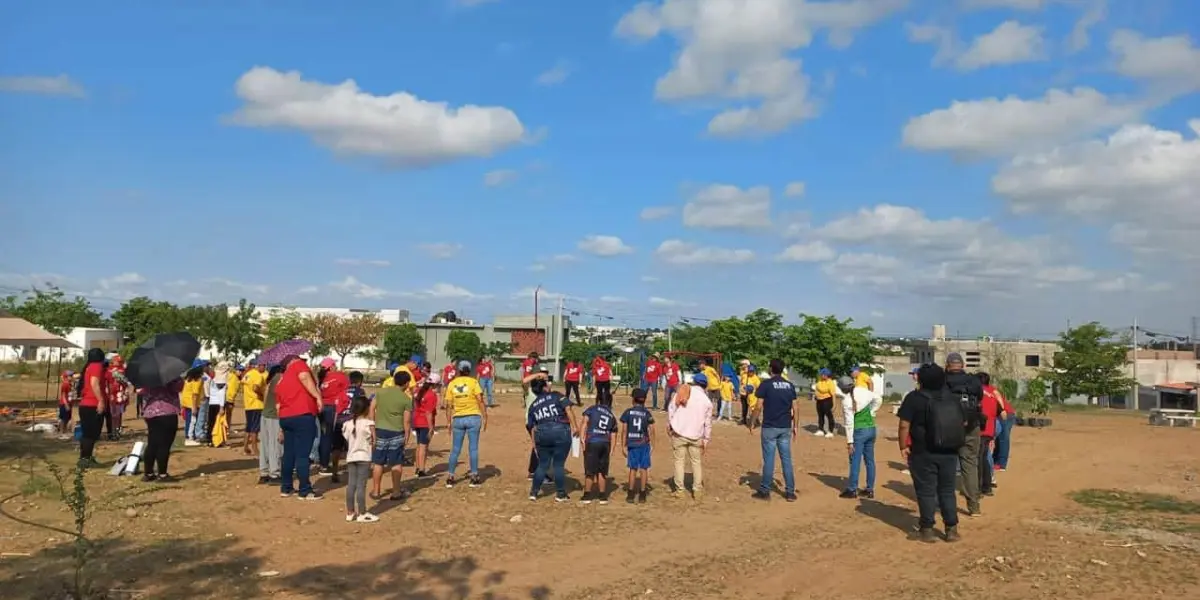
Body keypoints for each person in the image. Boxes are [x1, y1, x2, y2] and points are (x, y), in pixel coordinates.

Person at [898, 364, 966, 543]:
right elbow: (962, 422)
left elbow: (904, 424)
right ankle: (951, 529)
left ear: (921, 379)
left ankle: (927, 529)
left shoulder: (914, 398)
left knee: (926, 491)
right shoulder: (952, 398)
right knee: (947, 490)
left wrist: (903, 445)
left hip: (923, 452)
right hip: (949, 451)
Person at [276, 355, 324, 500]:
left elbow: (278, 406)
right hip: (303, 414)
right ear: (293, 360)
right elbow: (304, 377)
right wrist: (317, 397)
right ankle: (305, 490)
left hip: (286, 418)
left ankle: (286, 487)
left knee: (289, 453)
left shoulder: (281, 380)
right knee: (303, 454)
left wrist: (281, 428)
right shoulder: (298, 366)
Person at [751, 359, 798, 502]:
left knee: (769, 459)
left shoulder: (766, 384)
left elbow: (758, 406)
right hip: (785, 427)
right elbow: (795, 408)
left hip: (770, 426)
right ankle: (790, 492)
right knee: (786, 459)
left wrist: (752, 422)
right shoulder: (789, 386)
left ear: (771, 369)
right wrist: (795, 425)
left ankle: (765, 490)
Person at [944, 352, 985, 516]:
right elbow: (980, 396)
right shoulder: (973, 380)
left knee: (945, 464)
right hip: (971, 426)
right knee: (970, 465)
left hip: (947, 428)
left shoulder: (942, 381)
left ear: (947, 365)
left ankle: (943, 502)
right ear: (962, 365)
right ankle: (974, 506)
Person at [526, 377, 578, 502]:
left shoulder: (533, 406)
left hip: (542, 433)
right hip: (560, 430)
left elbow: (531, 427)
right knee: (558, 465)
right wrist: (575, 426)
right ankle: (560, 493)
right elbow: (568, 409)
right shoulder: (556, 395)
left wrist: (534, 443)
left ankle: (533, 492)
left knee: (543, 465)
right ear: (544, 387)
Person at [667, 373, 713, 500]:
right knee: (696, 462)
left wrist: (670, 424)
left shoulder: (683, 390)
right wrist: (706, 439)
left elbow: (671, 408)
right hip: (696, 435)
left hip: (679, 432)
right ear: (705, 386)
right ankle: (697, 490)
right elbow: (708, 423)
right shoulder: (707, 401)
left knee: (679, 461)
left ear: (694, 382)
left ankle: (680, 490)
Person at [370, 370, 414, 500]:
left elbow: (372, 408)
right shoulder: (406, 399)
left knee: (378, 462)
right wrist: (407, 435)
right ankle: (396, 492)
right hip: (397, 432)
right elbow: (406, 421)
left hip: (380, 431)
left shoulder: (380, 392)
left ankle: (376, 491)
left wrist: (372, 425)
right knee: (396, 463)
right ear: (406, 383)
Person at [445, 360, 488, 488]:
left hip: (458, 418)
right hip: (473, 417)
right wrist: (485, 416)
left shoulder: (452, 383)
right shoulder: (474, 382)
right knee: (473, 448)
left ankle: (450, 476)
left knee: (455, 449)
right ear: (469, 370)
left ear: (459, 370)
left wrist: (448, 422)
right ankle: (474, 476)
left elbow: (448, 405)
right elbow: (480, 400)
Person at [839, 374, 883, 499]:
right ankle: (870, 489)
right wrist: (872, 411)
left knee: (855, 460)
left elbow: (849, 423)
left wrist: (849, 442)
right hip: (871, 429)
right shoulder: (862, 391)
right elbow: (878, 398)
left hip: (859, 431)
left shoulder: (846, 401)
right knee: (869, 460)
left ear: (842, 389)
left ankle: (852, 489)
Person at [342, 394, 378, 523]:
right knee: (361, 486)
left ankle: (350, 512)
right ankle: (362, 512)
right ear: (366, 409)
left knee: (351, 485)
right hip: (364, 457)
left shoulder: (347, 424)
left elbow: (346, 438)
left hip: (351, 456)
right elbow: (374, 441)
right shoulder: (369, 423)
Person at [141, 378, 185, 482]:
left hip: (151, 412)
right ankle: (162, 474)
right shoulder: (171, 375)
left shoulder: (146, 376)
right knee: (164, 444)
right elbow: (179, 388)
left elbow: (142, 391)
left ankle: (148, 473)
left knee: (152, 442)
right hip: (167, 412)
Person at [581, 390, 618, 504]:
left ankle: (587, 495)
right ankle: (602, 496)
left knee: (590, 470)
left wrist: (582, 439)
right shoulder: (611, 415)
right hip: (605, 443)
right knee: (602, 470)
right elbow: (614, 434)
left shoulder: (592, 409)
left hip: (592, 441)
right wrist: (612, 449)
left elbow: (584, 423)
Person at [620, 388, 656, 504]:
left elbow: (624, 430)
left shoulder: (628, 412)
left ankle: (630, 493)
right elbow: (652, 429)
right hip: (644, 443)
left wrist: (623, 445)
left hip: (632, 443)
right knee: (644, 468)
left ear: (633, 400)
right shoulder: (646, 413)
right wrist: (653, 445)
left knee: (633, 468)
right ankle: (642, 493)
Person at [317, 358, 349, 479]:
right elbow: (347, 389)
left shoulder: (321, 378)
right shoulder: (339, 376)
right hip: (333, 408)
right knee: (329, 436)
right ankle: (325, 465)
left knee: (324, 435)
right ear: (330, 367)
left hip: (321, 407)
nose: (336, 366)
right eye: (334, 364)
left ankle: (323, 463)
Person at [76, 348, 108, 468]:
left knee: (88, 433)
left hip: (86, 404)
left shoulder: (89, 366)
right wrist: (101, 401)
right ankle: (85, 459)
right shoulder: (96, 366)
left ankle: (86, 457)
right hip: (92, 404)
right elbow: (94, 383)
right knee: (91, 434)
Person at [976, 372, 1003, 497]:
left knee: (979, 459)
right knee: (984, 457)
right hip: (990, 430)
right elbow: (1000, 412)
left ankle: (979, 487)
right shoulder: (992, 395)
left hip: (980, 430)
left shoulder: (977, 394)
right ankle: (986, 487)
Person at [257, 365, 284, 484]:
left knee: (265, 445)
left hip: (265, 415)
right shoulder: (280, 378)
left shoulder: (270, 381)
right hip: (274, 416)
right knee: (275, 445)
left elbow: (265, 398)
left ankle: (264, 472)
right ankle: (275, 473)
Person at [411, 373, 440, 477]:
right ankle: (422, 471)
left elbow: (415, 403)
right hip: (425, 423)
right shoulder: (431, 395)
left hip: (417, 421)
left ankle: (418, 468)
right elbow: (428, 413)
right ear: (435, 385)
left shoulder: (419, 391)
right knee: (424, 447)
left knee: (419, 446)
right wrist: (431, 427)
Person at [242, 361, 267, 458]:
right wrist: (263, 395)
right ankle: (255, 449)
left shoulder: (247, 374)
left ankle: (245, 447)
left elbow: (244, 384)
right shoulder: (257, 375)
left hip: (248, 404)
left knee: (249, 427)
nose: (264, 367)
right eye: (263, 365)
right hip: (256, 404)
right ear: (258, 365)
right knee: (255, 429)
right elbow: (256, 388)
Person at [992, 378, 1015, 473]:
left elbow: (997, 395)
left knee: (1003, 439)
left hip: (1005, 414)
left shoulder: (989, 389)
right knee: (998, 439)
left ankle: (1002, 464)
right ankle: (995, 461)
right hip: (1001, 414)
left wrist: (1002, 410)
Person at [206, 362, 232, 447]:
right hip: (218, 404)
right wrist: (221, 407)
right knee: (218, 424)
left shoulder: (214, 379)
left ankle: (210, 440)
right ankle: (218, 441)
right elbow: (221, 393)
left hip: (212, 403)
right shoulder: (222, 379)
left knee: (211, 422)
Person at [181, 367, 204, 446]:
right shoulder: (197, 380)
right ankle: (189, 438)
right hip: (192, 404)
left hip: (186, 403)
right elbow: (195, 395)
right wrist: (194, 407)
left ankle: (189, 436)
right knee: (192, 421)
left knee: (188, 421)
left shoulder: (188, 379)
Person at [812, 368, 837, 438]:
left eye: (822, 374)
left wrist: (834, 405)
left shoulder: (830, 382)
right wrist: (816, 396)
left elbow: (833, 395)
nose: (821, 375)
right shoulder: (819, 381)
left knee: (829, 416)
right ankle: (820, 429)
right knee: (820, 415)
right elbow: (816, 389)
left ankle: (830, 431)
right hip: (819, 401)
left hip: (827, 400)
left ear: (826, 375)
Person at [57, 370, 73, 436]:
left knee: (67, 418)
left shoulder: (69, 384)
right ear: (66, 377)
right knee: (64, 419)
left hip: (68, 403)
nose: (72, 377)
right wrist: (66, 404)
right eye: (70, 376)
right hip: (64, 404)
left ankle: (64, 431)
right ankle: (61, 431)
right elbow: (63, 395)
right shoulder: (65, 384)